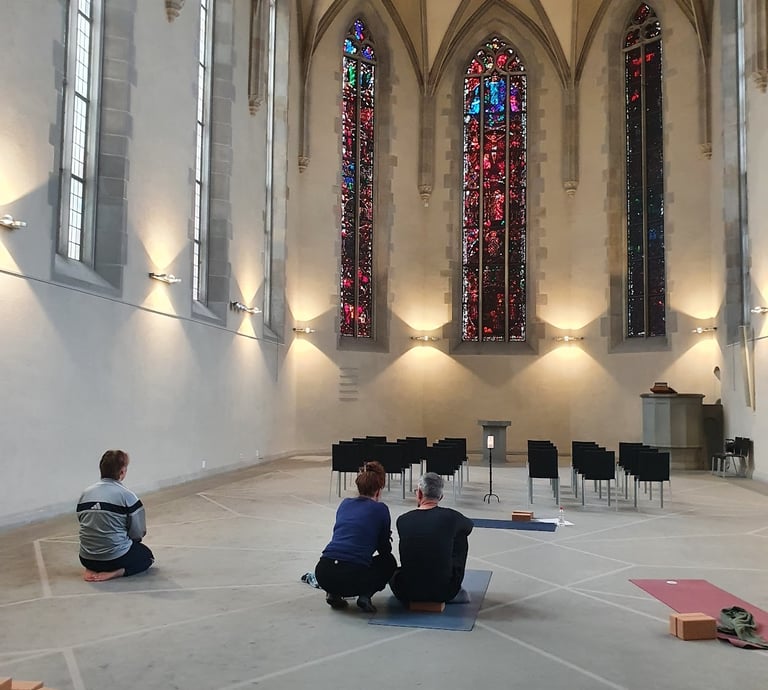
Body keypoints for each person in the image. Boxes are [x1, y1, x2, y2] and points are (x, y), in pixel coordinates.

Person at [314, 461, 397, 613]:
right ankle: (365, 595)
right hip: (353, 576)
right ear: (379, 490)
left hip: (323, 571)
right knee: (389, 562)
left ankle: (333, 593)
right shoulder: (381, 509)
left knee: (345, 559)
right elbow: (384, 550)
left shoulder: (345, 504)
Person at [390, 472, 473, 604]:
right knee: (460, 536)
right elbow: (469, 526)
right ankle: (454, 586)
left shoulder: (403, 520)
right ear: (441, 497)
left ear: (419, 494)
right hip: (445, 592)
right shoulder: (451, 517)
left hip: (407, 591)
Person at [76, 449, 155, 581]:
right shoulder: (127, 496)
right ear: (122, 471)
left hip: (85, 558)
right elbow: (138, 532)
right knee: (147, 557)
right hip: (115, 559)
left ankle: (91, 568)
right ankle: (115, 573)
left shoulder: (85, 494)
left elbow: (83, 520)